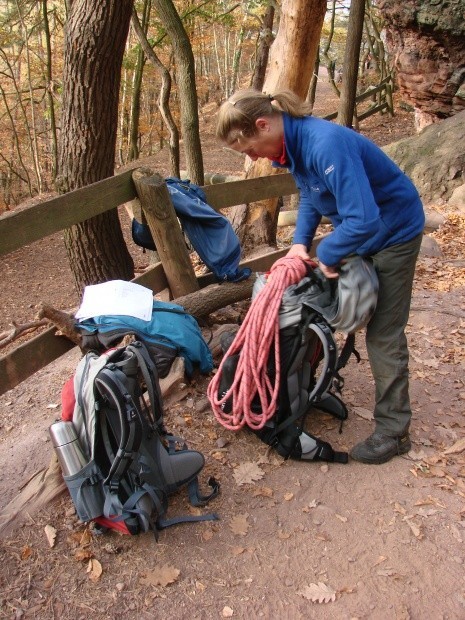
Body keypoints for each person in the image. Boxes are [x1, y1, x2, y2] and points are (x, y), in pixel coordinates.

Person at [216, 88, 425, 465]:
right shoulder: (293, 146)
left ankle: (394, 432)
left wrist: (327, 251)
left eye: (248, 149)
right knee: (312, 304)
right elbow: (311, 196)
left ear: (262, 125)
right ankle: (305, 387)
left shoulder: (324, 144)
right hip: (361, 229)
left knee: (383, 333)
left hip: (394, 232)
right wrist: (300, 244)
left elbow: (364, 218)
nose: (252, 158)